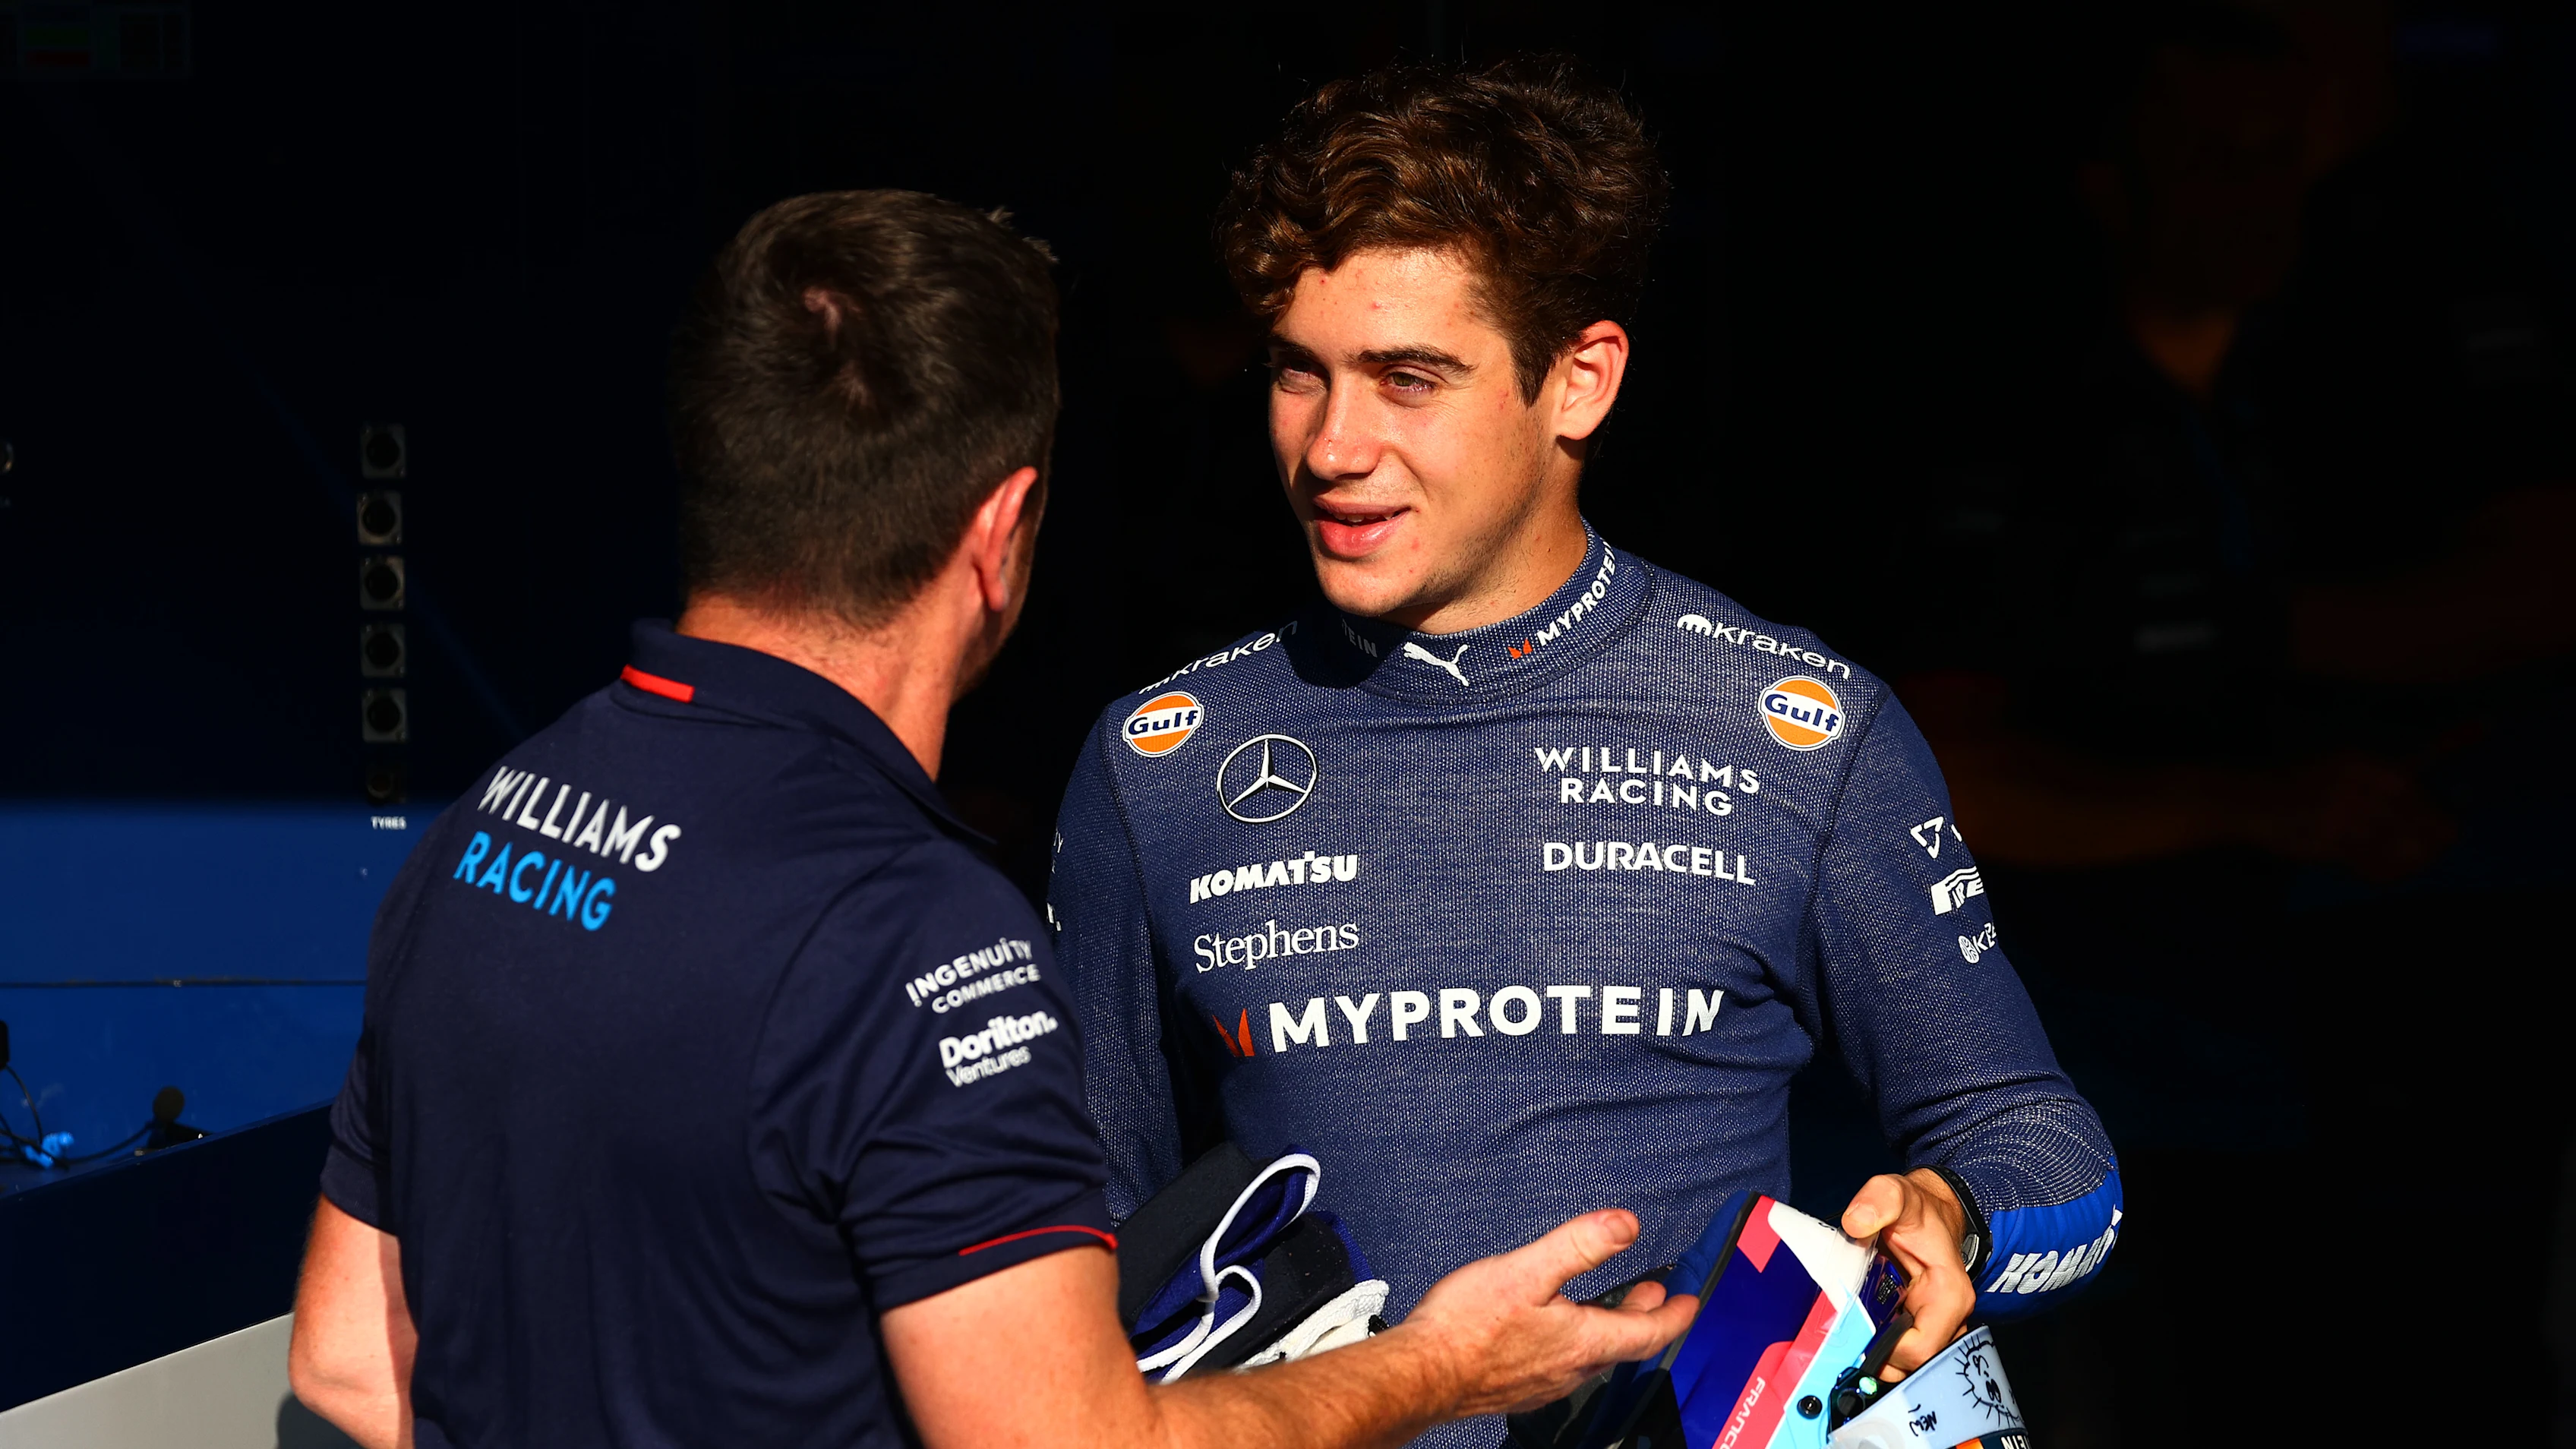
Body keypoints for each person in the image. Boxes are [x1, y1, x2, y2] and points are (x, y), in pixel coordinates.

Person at [286, 189, 1695, 1449]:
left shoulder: (492, 831)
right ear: (1005, 529)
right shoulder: (920, 935)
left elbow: (349, 1364)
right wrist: (1437, 1367)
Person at [1046, 59, 2122, 1448]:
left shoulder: (1794, 730)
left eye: (1408, 378)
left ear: (1580, 383)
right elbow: (1071, 1258)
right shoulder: (1161, 764)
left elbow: (2055, 1154)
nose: (1331, 444)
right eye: (1297, 374)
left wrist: (1956, 1212)